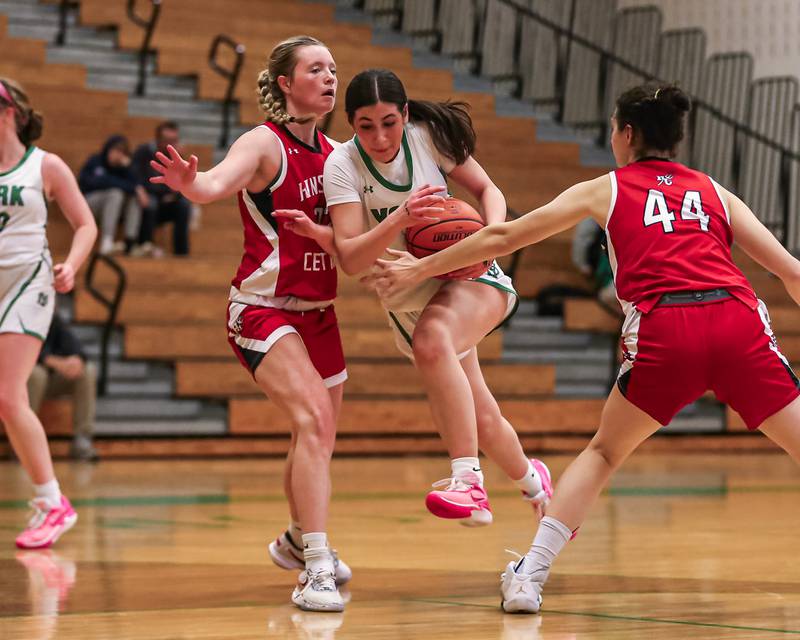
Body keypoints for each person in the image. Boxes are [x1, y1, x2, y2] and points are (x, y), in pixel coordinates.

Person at [374, 83, 800, 613]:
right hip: (737, 321)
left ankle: (529, 577)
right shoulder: (716, 192)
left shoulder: (606, 188)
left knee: (603, 452)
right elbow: (791, 273)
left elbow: (502, 238)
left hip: (668, 327)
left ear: (625, 134)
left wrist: (421, 266)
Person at [148, 36, 350, 612]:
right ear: (286, 83)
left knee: (317, 436)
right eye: (316, 69)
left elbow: (353, 238)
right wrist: (193, 185)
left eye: (333, 69)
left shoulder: (339, 154)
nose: (330, 78)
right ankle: (315, 565)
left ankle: (295, 538)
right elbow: (214, 183)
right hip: (262, 308)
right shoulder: (265, 142)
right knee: (312, 420)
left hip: (321, 315)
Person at [322, 68, 552, 528]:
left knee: (433, 340)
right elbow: (349, 257)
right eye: (366, 126)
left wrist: (490, 237)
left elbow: (488, 189)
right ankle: (534, 482)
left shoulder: (426, 137)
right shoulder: (341, 166)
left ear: (405, 115)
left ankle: (468, 482)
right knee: (482, 417)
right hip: (407, 293)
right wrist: (399, 220)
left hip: (470, 276)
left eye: (389, 122)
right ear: (351, 124)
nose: (380, 137)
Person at [0, 77, 97, 548]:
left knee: (7, 392)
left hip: (27, 283)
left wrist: (71, 265)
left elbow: (86, 224)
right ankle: (48, 499)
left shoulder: (45, 166)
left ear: (8, 112)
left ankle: (51, 501)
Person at [27, 312, 99, 462]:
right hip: (20, 382)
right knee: (37, 374)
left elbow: (76, 347)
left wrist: (77, 359)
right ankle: (23, 442)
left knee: (87, 370)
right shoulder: (16, 314)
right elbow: (21, 353)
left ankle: (82, 440)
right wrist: (52, 361)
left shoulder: (52, 318)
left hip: (49, 382)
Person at [78, 134, 146, 255]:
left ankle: (130, 242)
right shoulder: (95, 161)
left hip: (113, 207)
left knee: (133, 197)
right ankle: (107, 241)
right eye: (115, 150)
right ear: (108, 149)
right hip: (89, 204)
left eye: (122, 152)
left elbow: (135, 186)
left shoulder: (124, 169)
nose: (117, 155)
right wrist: (128, 186)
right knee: (116, 193)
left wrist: (128, 168)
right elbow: (91, 182)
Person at [132, 121, 192, 256]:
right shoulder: (143, 152)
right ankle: (145, 245)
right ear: (158, 140)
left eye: (174, 140)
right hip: (148, 197)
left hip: (168, 201)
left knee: (184, 205)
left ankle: (181, 253)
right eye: (167, 140)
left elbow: (184, 184)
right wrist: (140, 190)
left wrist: (182, 160)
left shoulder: (177, 157)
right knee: (151, 203)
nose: (171, 145)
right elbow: (135, 177)